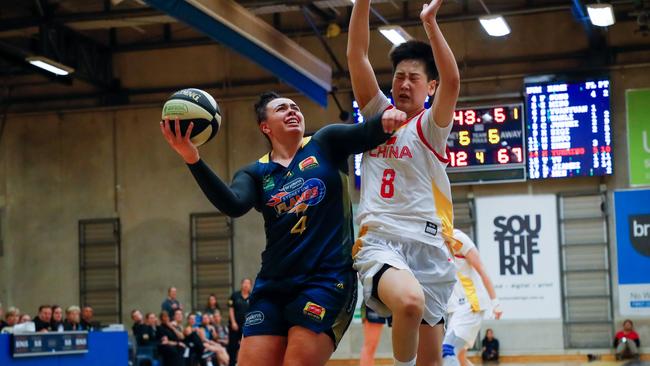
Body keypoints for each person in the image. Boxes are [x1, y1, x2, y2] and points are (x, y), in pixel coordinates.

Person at [160, 90, 401, 366]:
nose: (292, 111)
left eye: (295, 107)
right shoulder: (256, 173)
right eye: (281, 109)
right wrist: (193, 158)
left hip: (326, 281)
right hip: (273, 286)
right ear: (265, 127)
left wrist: (389, 117)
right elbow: (234, 205)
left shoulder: (326, 142)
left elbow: (369, 131)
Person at [347, 0, 461, 365]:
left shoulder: (430, 126)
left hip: (428, 246)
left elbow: (454, 80)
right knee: (409, 303)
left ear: (430, 87)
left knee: (432, 361)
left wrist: (429, 22)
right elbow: (356, 55)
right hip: (381, 241)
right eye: (398, 76)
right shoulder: (376, 114)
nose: (404, 83)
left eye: (414, 78)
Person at [444, 229, 503, 366]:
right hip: (455, 309)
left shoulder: (458, 238)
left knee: (447, 351)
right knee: (460, 359)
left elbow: (481, 269)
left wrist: (495, 302)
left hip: (470, 305)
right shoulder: (434, 243)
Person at [228, 278, 251, 366]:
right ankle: (232, 363)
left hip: (246, 326)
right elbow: (231, 309)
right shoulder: (235, 296)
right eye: (244, 283)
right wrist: (233, 322)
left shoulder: (252, 297)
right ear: (241, 284)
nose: (246, 285)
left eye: (248, 283)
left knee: (246, 346)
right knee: (233, 347)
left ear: (250, 286)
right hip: (235, 326)